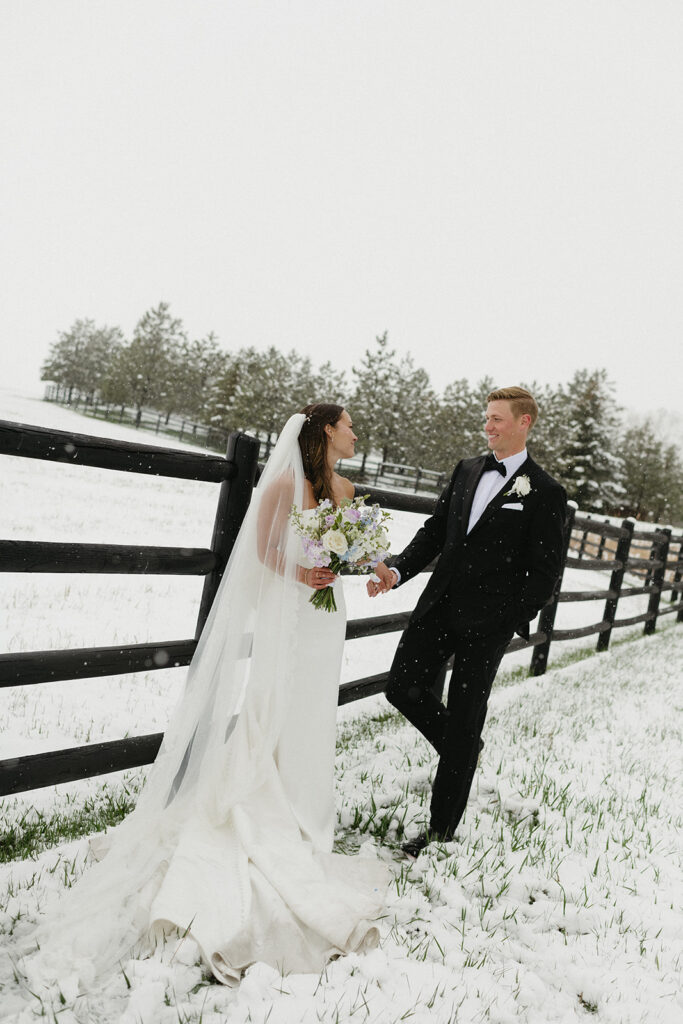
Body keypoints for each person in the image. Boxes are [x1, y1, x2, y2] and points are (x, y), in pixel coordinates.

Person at [18, 404, 388, 998]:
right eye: (348, 425)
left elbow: (358, 551)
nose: (355, 434)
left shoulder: (345, 487)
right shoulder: (284, 487)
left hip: (327, 619)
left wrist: (378, 568)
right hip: (293, 614)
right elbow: (263, 551)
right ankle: (272, 802)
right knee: (278, 708)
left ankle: (306, 809)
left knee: (314, 713)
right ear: (325, 431)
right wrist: (301, 577)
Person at [368, 386, 567, 858]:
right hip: (438, 607)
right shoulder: (466, 470)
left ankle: (439, 833)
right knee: (401, 687)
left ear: (525, 423)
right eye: (488, 418)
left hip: (489, 624)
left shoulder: (545, 492)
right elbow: (436, 530)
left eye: (498, 419)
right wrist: (397, 569)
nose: (489, 426)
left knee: (464, 714)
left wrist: (506, 622)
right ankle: (463, 749)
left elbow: (545, 575)